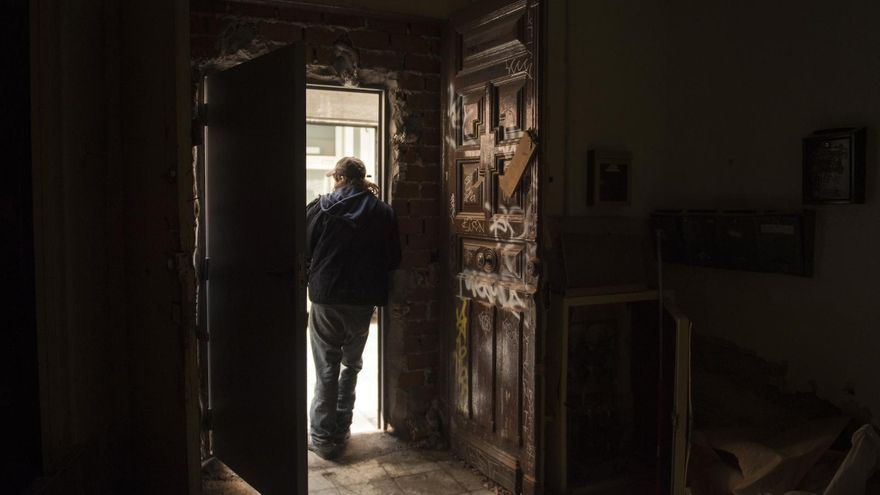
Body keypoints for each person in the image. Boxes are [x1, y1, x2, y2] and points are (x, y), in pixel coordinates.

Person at [305, 156, 401, 460]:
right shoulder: (383, 212)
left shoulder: (321, 207)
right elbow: (393, 258)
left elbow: (302, 248)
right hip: (362, 300)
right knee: (351, 365)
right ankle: (342, 428)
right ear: (363, 177)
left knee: (326, 369)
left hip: (326, 296)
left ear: (339, 177)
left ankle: (322, 438)